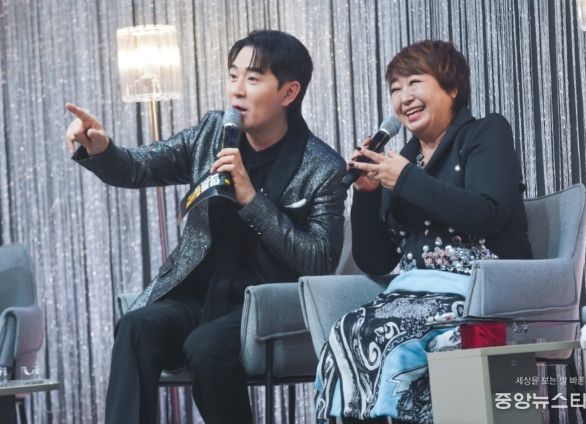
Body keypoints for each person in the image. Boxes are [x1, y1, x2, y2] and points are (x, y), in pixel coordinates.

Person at [65, 30, 346, 424]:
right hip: (199, 297)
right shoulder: (213, 133)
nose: (237, 90)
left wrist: (252, 200)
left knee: (206, 347)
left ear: (289, 92)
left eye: (253, 78)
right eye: (233, 76)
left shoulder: (322, 167)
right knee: (136, 326)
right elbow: (139, 166)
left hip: (264, 305)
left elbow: (319, 261)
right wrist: (101, 149)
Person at [314, 40, 532, 423]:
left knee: (392, 337)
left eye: (415, 82)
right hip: (411, 293)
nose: (404, 98)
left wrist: (405, 180)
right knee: (346, 331)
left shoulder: (485, 133)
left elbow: (487, 213)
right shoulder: (404, 161)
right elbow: (377, 261)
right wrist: (366, 195)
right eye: (395, 89)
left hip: (478, 292)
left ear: (452, 88)